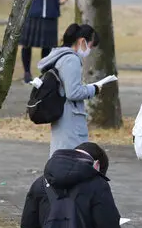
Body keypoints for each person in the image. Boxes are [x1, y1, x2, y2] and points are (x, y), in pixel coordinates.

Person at [37, 24, 105, 156]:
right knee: (71, 157)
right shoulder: (71, 59)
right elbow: (73, 92)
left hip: (63, 115)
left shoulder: (59, 56)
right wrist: (94, 89)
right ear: (81, 41)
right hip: (70, 118)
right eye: (90, 45)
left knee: (61, 154)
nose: (89, 50)